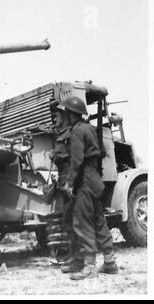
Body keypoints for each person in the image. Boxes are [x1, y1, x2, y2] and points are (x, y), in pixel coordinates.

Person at [59, 96, 118, 280]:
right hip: (95, 179)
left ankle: (89, 266)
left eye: (66, 113)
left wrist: (69, 182)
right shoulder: (89, 128)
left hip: (84, 180)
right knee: (98, 220)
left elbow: (76, 160)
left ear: (70, 114)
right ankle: (110, 262)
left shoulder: (76, 131)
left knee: (82, 221)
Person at [50, 105, 82, 273]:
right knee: (68, 221)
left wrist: (55, 155)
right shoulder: (61, 134)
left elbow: (73, 158)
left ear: (64, 115)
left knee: (73, 221)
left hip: (69, 179)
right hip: (63, 179)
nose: (54, 118)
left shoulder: (71, 133)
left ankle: (78, 260)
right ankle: (73, 257)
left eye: (56, 115)